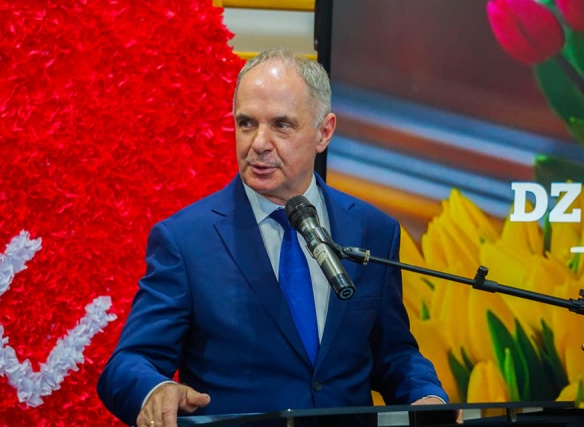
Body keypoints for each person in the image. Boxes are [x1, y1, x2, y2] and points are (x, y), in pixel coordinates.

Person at [97, 48, 450, 427]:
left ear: (324, 132)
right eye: (247, 123)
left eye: (282, 125)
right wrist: (155, 389)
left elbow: (394, 352)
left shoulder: (372, 229)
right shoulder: (186, 240)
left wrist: (427, 396)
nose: (259, 143)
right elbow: (128, 363)